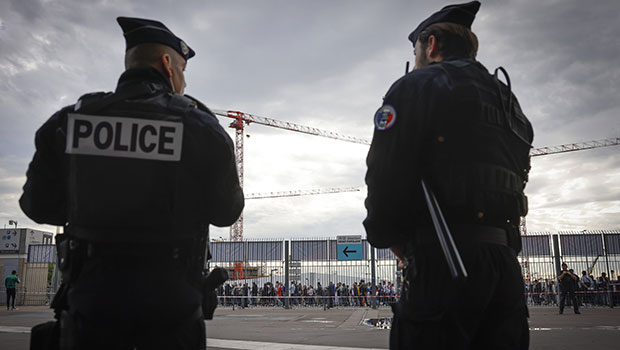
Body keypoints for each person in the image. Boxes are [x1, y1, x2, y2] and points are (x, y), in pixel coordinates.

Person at [20, 17, 244, 349]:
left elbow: (37, 206)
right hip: (173, 312)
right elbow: (226, 212)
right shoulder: (200, 127)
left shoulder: (70, 123)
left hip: (89, 306)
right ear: (167, 65)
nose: (183, 81)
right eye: (183, 70)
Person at [363, 1, 533, 349]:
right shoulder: (508, 101)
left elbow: (384, 175)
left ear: (431, 44)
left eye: (416, 49)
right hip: (503, 265)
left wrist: (390, 240)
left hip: (442, 263)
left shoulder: (416, 86)